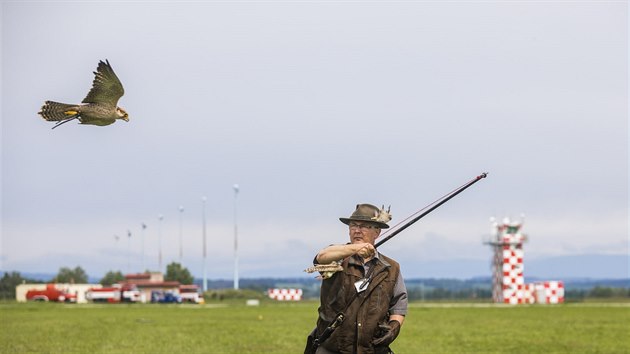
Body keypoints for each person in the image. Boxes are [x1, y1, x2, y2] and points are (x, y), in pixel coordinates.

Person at [305, 204, 408, 354]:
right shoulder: (337, 257)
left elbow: (398, 305)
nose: (357, 230)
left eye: (365, 226)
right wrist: (354, 249)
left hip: (371, 349)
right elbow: (321, 257)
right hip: (332, 348)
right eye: (353, 225)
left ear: (377, 232)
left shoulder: (391, 268)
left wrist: (394, 327)